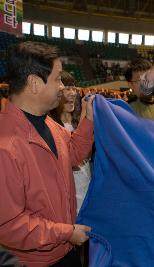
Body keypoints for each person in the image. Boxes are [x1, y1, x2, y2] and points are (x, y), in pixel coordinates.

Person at [0, 41, 94, 266]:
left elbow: (70, 155)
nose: (62, 87)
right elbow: (9, 225)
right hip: (37, 260)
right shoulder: (6, 147)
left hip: (64, 249)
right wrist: (66, 232)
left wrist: (88, 122)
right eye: (58, 78)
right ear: (34, 83)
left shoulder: (47, 123)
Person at [50, 71, 92, 214]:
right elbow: (74, 149)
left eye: (74, 88)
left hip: (86, 188)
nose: (73, 93)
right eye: (67, 88)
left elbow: (84, 150)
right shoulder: (52, 126)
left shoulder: (77, 122)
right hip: (68, 196)